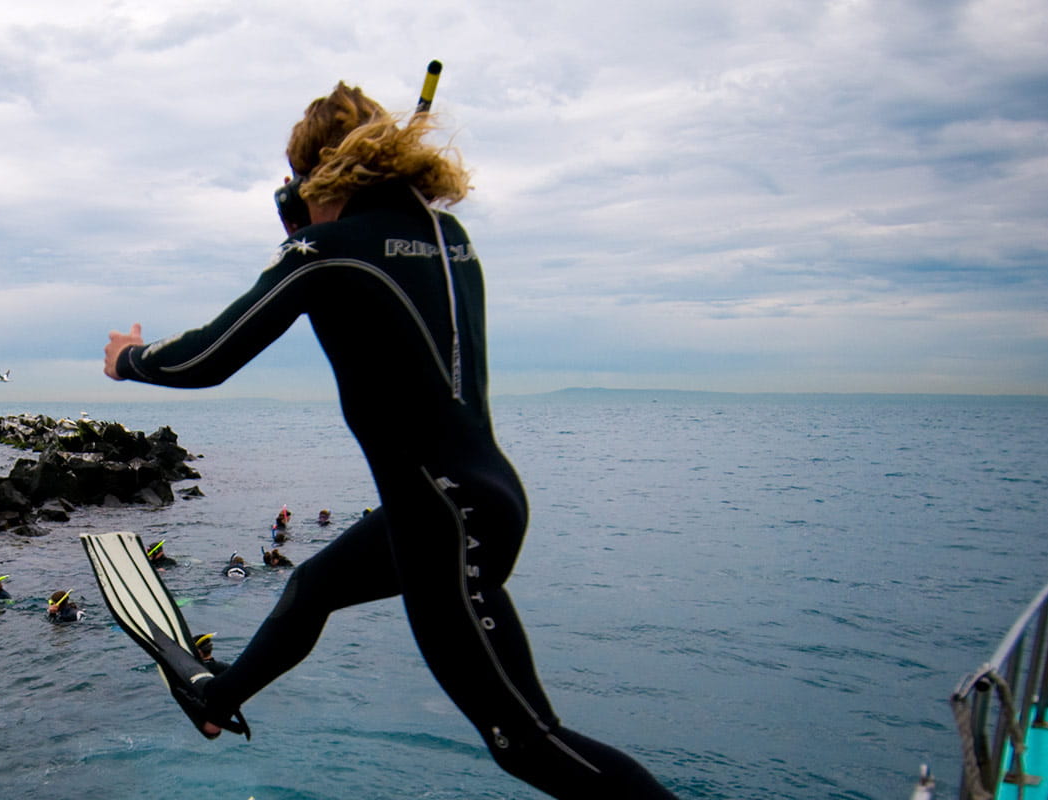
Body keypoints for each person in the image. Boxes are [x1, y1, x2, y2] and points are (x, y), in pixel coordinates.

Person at [99, 80, 675, 798]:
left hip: (442, 519)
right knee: (312, 585)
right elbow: (376, 278)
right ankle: (219, 698)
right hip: (475, 499)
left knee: (526, 741)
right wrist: (308, 219)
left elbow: (209, 355)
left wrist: (129, 359)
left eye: (294, 178)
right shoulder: (449, 240)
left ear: (318, 175)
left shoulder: (327, 250)